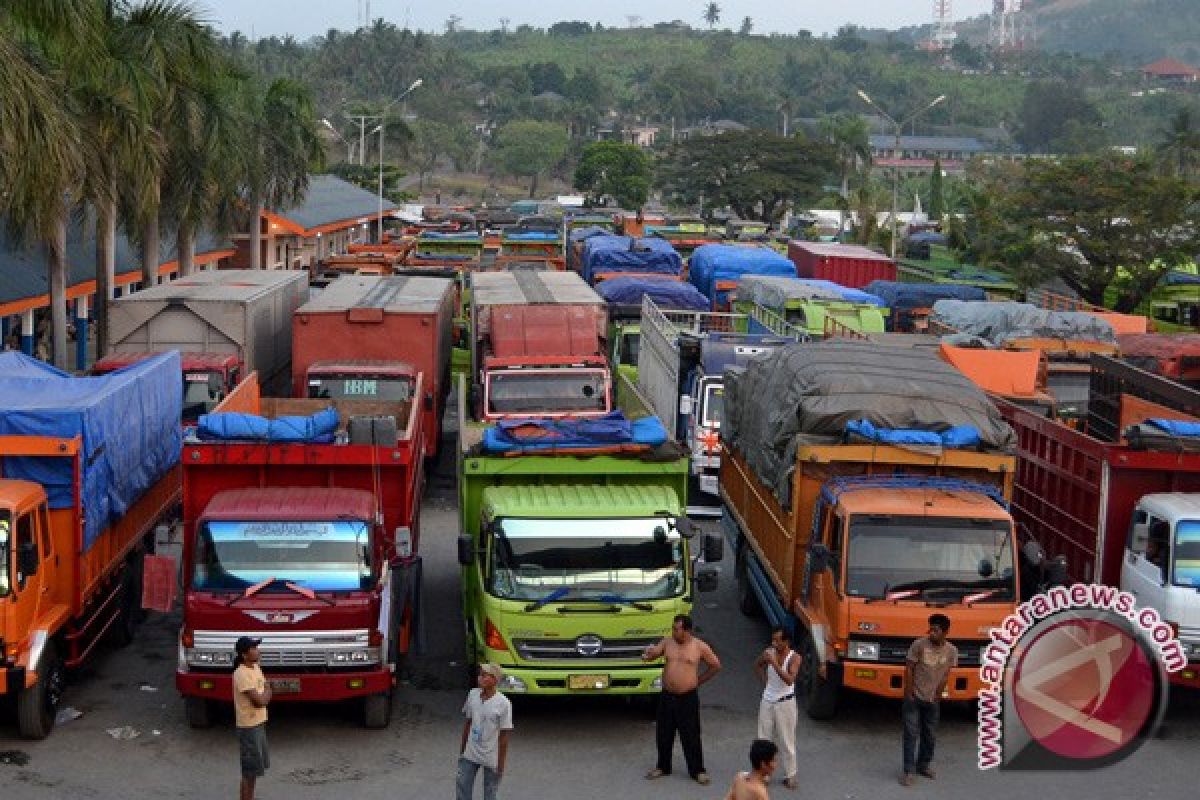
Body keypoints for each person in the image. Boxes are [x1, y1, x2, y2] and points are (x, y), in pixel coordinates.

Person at [643, 614, 722, 786]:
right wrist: (647, 655)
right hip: (667, 696)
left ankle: (698, 770)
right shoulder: (667, 642)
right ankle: (663, 766)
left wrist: (698, 681)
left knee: (691, 735)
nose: (673, 631)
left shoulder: (699, 646)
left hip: (687, 697)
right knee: (663, 733)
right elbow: (653, 654)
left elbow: (716, 665)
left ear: (686, 630)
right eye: (673, 628)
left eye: (676, 629)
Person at [900, 614, 958, 787]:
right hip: (914, 697)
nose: (932, 633)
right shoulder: (919, 645)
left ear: (946, 632)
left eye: (937, 630)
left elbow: (947, 673)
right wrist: (909, 692)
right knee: (911, 734)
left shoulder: (951, 651)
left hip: (933, 700)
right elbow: (909, 668)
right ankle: (909, 771)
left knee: (930, 735)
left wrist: (939, 694)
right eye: (931, 629)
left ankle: (923, 765)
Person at [457, 663, 513, 800]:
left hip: (491, 757)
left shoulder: (503, 704)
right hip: (470, 753)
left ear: (494, 680)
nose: (479, 678)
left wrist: (500, 765)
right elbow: (468, 723)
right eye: (480, 675)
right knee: (462, 789)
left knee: (490, 794)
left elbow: (504, 736)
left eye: (484, 675)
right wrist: (462, 751)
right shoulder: (473, 695)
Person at [755, 627, 800, 790]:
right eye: (773, 640)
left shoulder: (794, 658)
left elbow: (789, 680)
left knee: (786, 739)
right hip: (767, 700)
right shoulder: (769, 652)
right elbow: (757, 665)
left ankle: (790, 774)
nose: (774, 644)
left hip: (785, 702)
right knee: (764, 738)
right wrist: (766, 684)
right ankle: (764, 774)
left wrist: (773, 662)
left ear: (786, 642)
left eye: (778, 641)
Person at [232, 636, 271, 800]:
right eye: (253, 649)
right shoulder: (241, 674)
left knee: (253, 771)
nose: (257, 651)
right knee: (249, 772)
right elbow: (260, 701)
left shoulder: (255, 667)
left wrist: (266, 692)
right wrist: (269, 692)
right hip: (249, 727)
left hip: (258, 723)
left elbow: (264, 692)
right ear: (244, 655)